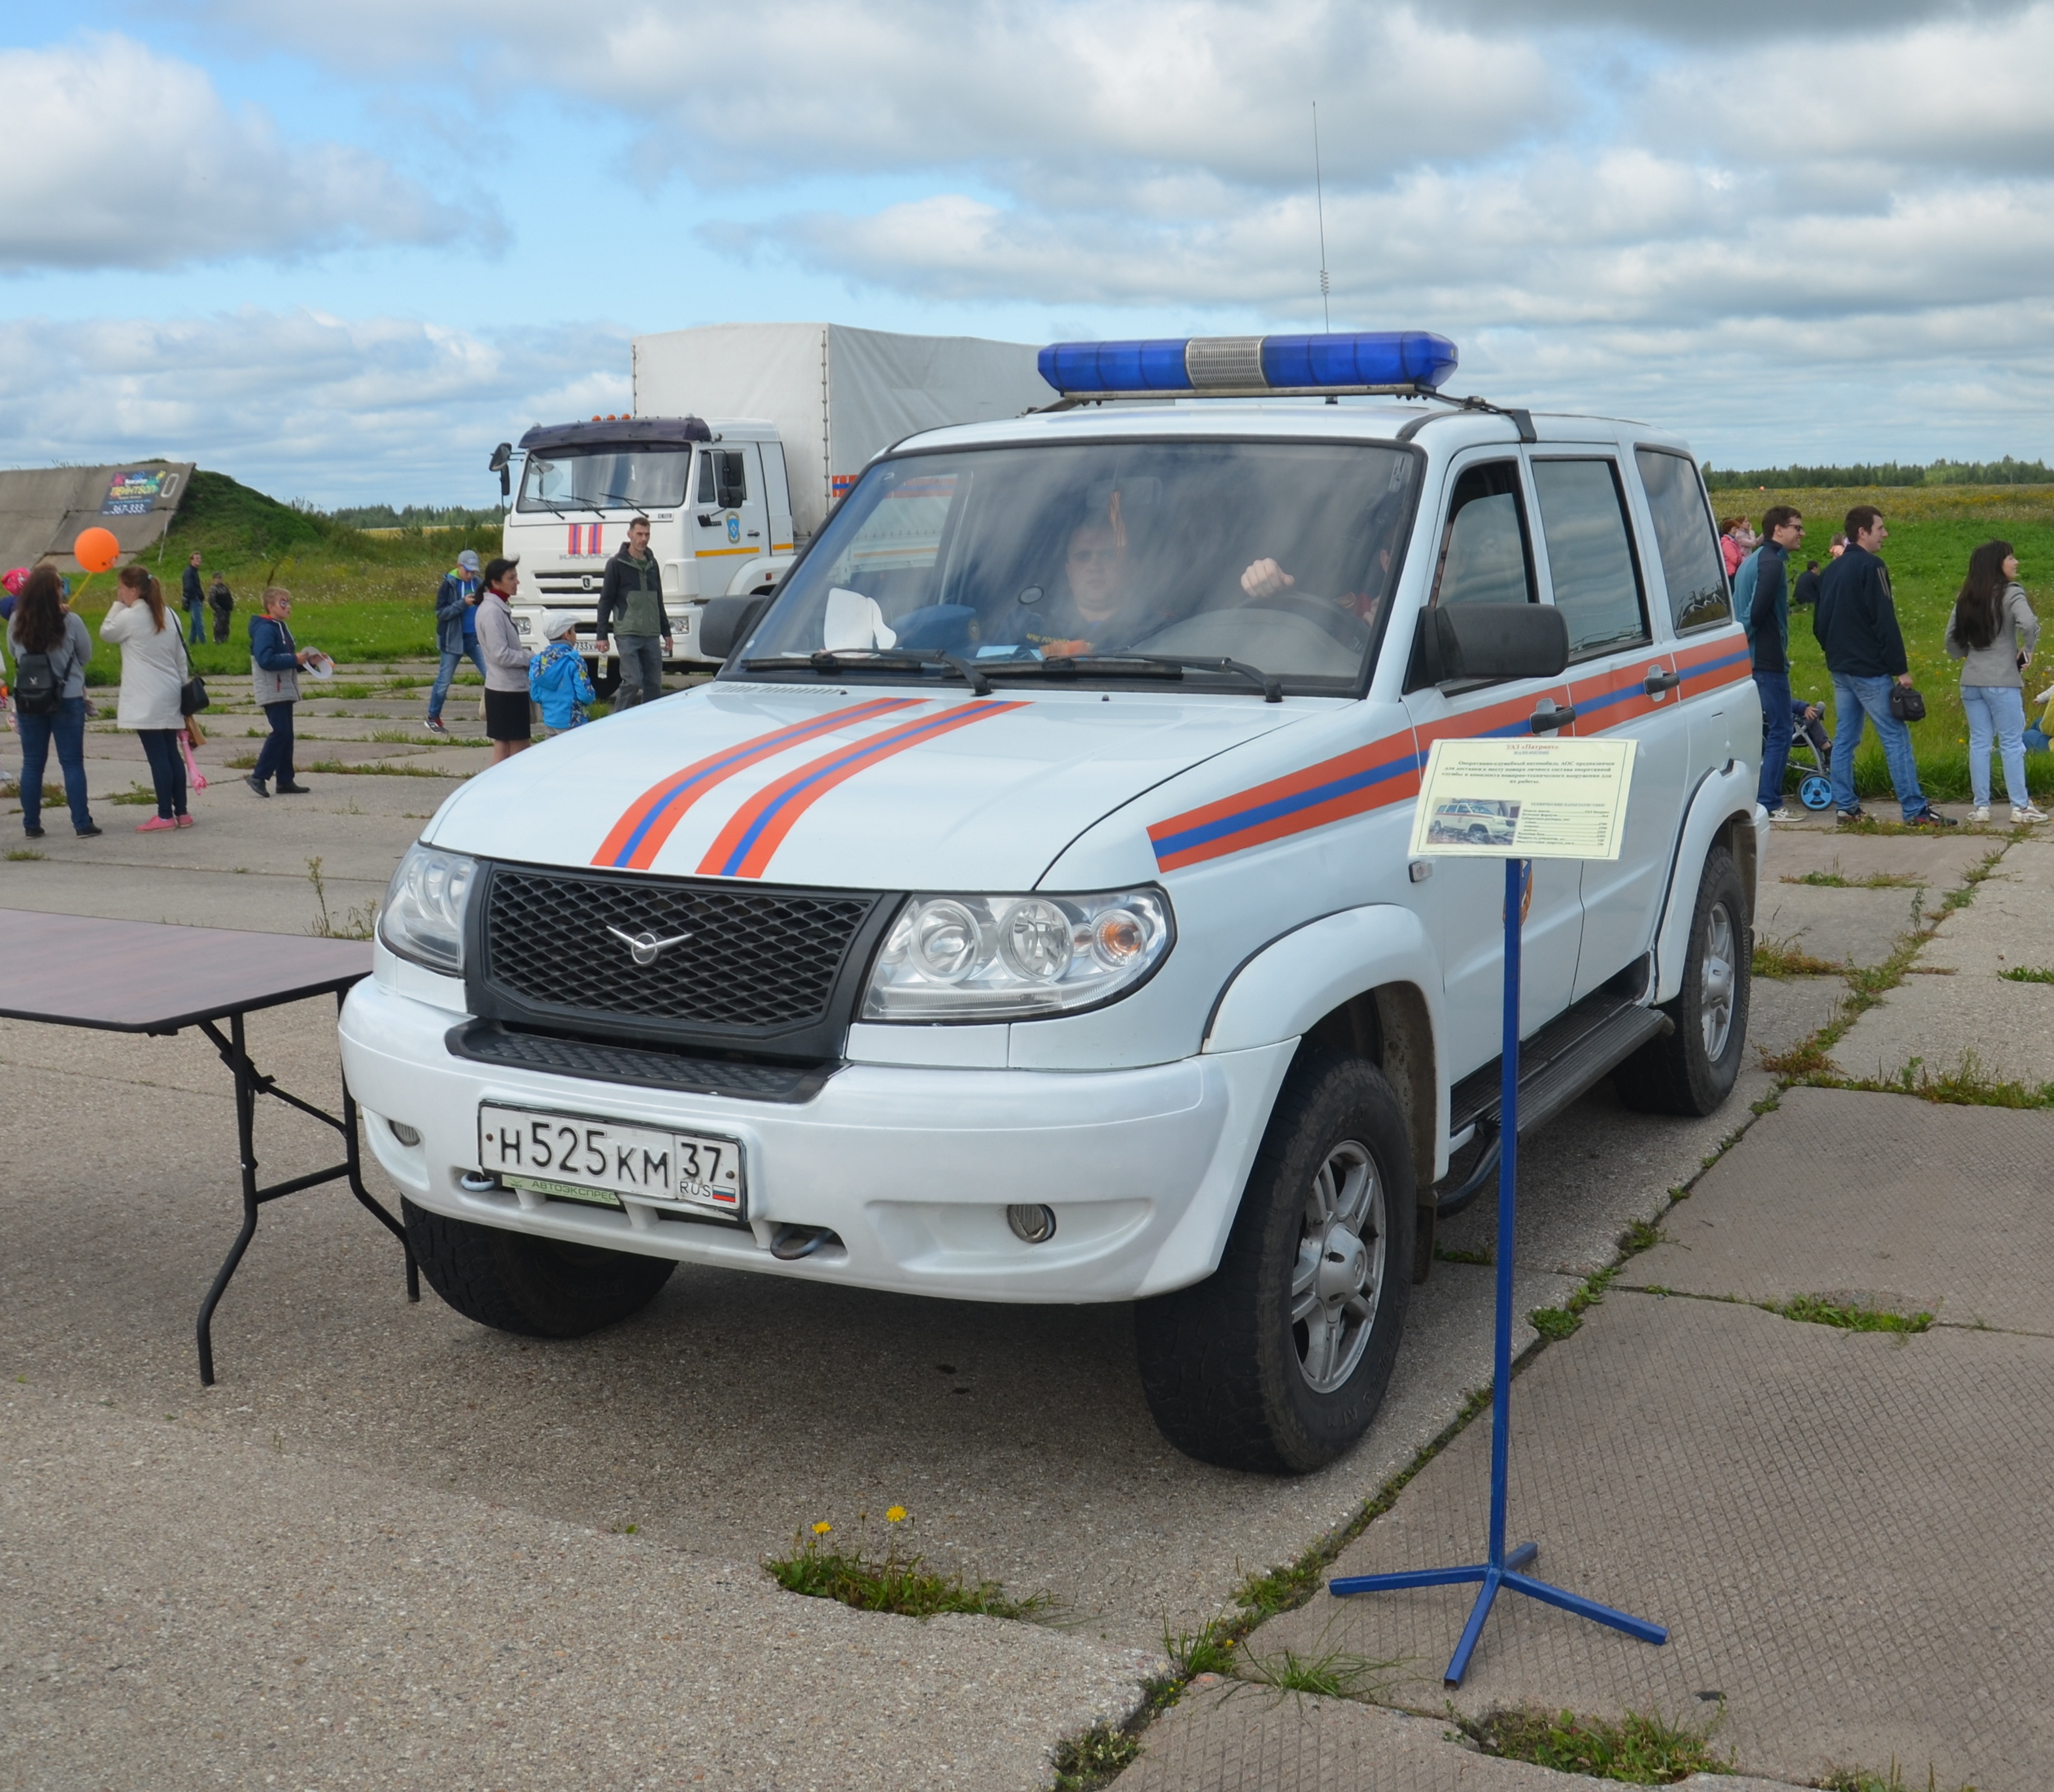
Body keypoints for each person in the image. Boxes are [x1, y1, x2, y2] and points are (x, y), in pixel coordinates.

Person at [1814, 504, 1953, 826]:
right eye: (1880, 529)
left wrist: (1834, 652)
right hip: (1869, 669)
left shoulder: (1832, 570)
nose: (1885, 534)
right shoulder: (1872, 566)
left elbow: (1819, 624)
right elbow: (1884, 621)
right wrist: (1900, 669)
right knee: (1895, 736)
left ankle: (1846, 808)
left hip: (1841, 668)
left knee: (1845, 739)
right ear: (1863, 532)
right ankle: (1915, 810)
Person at [1945, 539, 2045, 825]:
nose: (2016, 562)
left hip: (1971, 681)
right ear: (1997, 564)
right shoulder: (2012, 593)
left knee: (1979, 743)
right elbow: (2028, 623)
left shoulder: (1967, 597)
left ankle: (1981, 809)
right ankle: (2020, 807)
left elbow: (1951, 638)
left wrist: (1969, 656)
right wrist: (2028, 651)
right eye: (2011, 558)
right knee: (2012, 742)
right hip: (2002, 680)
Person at [6, 565, 99, 837]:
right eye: (61, 585)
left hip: (29, 697)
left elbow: (14, 652)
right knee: (72, 762)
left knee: (32, 763)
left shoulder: (17, 620)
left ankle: (31, 824)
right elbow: (86, 655)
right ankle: (82, 823)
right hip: (67, 696)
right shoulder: (71, 621)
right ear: (54, 590)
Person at [102, 564, 194, 830]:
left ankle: (164, 814)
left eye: (121, 588)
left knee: (158, 757)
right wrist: (181, 685)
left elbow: (106, 632)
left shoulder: (131, 616)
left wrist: (118, 605)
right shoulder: (169, 614)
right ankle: (183, 812)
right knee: (171, 754)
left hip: (145, 697)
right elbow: (180, 659)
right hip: (170, 692)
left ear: (132, 590)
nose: (119, 592)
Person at [1744, 506, 1804, 820]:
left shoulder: (1755, 559)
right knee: (1782, 729)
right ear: (1778, 530)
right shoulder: (1772, 564)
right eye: (1797, 527)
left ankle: (1761, 796)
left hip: (1755, 658)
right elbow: (1755, 613)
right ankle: (1770, 802)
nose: (1802, 533)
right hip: (1767, 660)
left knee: (1766, 731)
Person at [594, 517, 672, 709]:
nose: (643, 539)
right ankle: (618, 721)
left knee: (654, 684)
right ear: (630, 535)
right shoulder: (616, 564)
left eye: (647, 535)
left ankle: (650, 722)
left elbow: (658, 600)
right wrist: (601, 635)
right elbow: (605, 601)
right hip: (627, 632)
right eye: (639, 534)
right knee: (633, 681)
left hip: (651, 634)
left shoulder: (653, 564)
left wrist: (666, 632)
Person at [247, 586, 314, 796]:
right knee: (281, 732)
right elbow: (265, 659)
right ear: (270, 606)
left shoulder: (281, 627)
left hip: (284, 688)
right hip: (272, 688)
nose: (288, 607)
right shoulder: (266, 629)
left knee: (287, 735)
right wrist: (294, 659)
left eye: (289, 602)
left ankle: (285, 780)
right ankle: (259, 776)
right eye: (283, 603)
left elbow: (288, 661)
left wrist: (309, 662)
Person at [475, 557, 533, 762]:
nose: (516, 582)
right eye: (511, 578)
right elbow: (500, 654)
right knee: (519, 749)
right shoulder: (492, 612)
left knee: (504, 746)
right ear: (495, 583)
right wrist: (530, 657)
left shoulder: (496, 608)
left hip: (504, 688)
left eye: (516, 577)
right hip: (506, 690)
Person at [425, 548, 485, 735]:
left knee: (492, 675)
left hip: (473, 638)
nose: (470, 574)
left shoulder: (478, 583)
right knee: (444, 681)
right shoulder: (448, 585)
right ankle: (432, 717)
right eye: (467, 570)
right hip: (452, 640)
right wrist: (463, 604)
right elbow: (441, 613)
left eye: (473, 571)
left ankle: (499, 715)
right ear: (458, 566)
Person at [528, 611, 596, 732]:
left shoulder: (538, 661)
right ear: (567, 635)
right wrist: (591, 697)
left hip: (549, 719)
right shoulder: (574, 661)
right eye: (574, 631)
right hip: (573, 720)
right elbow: (585, 695)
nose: (576, 635)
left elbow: (535, 695)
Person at [180, 550, 207, 645]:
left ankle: (192, 641)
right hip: (193, 600)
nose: (199, 560)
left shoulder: (194, 571)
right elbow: (189, 587)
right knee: (199, 622)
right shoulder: (189, 572)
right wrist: (196, 597)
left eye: (200, 558)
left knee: (194, 623)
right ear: (191, 560)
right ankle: (204, 642)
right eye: (197, 558)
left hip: (196, 599)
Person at [208, 571, 234, 643]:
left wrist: (231, 605)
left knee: (226, 625)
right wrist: (218, 609)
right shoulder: (213, 589)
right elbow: (211, 600)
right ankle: (217, 640)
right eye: (217, 578)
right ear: (214, 579)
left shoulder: (224, 587)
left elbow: (229, 597)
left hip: (227, 610)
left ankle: (225, 639)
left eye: (220, 578)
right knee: (219, 625)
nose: (219, 580)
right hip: (219, 611)